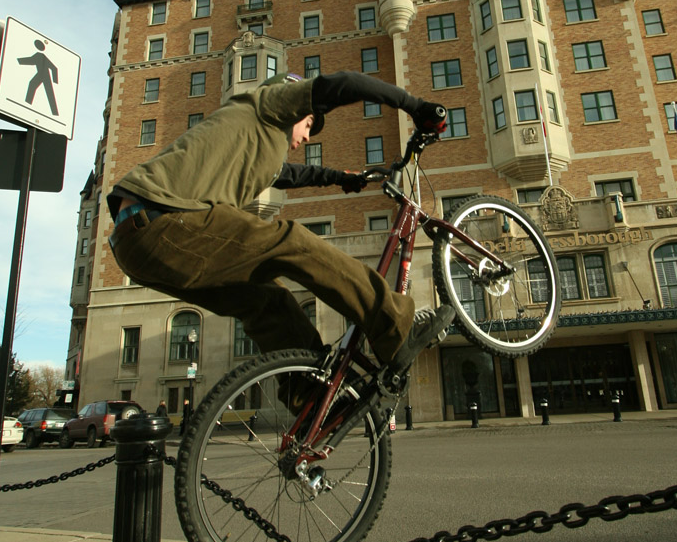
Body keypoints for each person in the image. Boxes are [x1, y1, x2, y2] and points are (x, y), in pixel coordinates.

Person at [107, 70, 454, 379]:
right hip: (160, 218)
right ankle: (396, 327)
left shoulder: (258, 142)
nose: (307, 138)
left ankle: (310, 401)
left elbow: (287, 174)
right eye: (308, 125)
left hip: (137, 246)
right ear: (295, 108)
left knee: (267, 302)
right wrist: (414, 105)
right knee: (292, 241)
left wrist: (338, 178)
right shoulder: (267, 104)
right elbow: (345, 84)